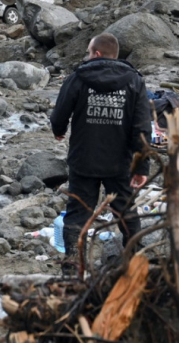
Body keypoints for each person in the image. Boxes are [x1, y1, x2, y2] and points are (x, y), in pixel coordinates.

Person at [50, 33, 151, 266]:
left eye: (88, 52)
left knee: (77, 214)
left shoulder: (78, 77)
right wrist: (142, 166)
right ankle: (134, 260)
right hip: (120, 163)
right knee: (126, 212)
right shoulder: (135, 81)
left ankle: (73, 264)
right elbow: (142, 127)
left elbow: (60, 112)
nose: (87, 56)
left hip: (84, 159)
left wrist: (59, 130)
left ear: (96, 53)